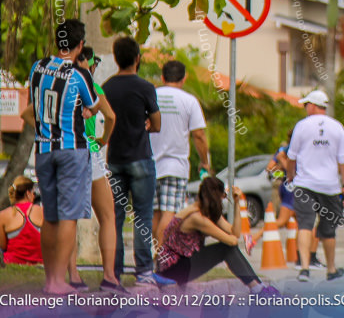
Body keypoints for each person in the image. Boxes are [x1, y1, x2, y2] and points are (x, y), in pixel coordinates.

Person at [28, 19, 115, 294]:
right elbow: (94, 105)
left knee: (50, 216)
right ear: (80, 46)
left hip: (43, 149)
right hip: (72, 149)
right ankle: (58, 283)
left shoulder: (37, 67)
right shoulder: (80, 75)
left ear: (57, 42)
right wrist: (87, 111)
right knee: (68, 217)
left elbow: (34, 105)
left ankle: (50, 279)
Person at [103, 36, 162, 286]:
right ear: (138, 58)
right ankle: (144, 272)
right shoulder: (145, 87)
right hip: (140, 160)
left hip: (114, 161)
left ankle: (114, 272)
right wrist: (144, 124)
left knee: (114, 218)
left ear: (116, 59)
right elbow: (157, 124)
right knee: (142, 217)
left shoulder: (105, 87)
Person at [156, 178, 277, 296]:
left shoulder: (206, 211)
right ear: (216, 196)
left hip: (183, 264)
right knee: (225, 249)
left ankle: (259, 287)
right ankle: (257, 288)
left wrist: (237, 204)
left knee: (227, 248)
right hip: (172, 271)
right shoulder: (197, 218)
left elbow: (235, 232)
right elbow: (232, 240)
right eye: (223, 196)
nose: (223, 200)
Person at [69, 48, 123, 292]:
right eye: (93, 63)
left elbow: (28, 115)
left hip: (64, 149)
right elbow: (110, 117)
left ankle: (72, 275)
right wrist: (103, 140)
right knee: (108, 216)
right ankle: (110, 276)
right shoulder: (91, 86)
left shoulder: (60, 82)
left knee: (68, 217)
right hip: (89, 149)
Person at [286, 89, 344, 282]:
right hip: (330, 186)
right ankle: (331, 269)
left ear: (313, 105)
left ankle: (304, 268)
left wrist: (291, 178)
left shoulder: (301, 126)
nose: (306, 108)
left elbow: (291, 157)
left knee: (305, 224)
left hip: (304, 184)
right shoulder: (338, 127)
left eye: (306, 105)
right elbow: (343, 160)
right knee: (328, 228)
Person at [150, 60, 210, 245]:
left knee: (154, 214)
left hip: (148, 165)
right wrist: (205, 162)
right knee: (169, 215)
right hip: (175, 167)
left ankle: (154, 259)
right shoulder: (189, 101)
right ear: (184, 78)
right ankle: (161, 261)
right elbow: (199, 135)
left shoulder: (151, 96)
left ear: (162, 77)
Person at [250, 131, 300, 258]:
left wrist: (281, 168)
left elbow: (270, 168)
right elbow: (276, 168)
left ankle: (302, 255)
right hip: (291, 188)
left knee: (300, 222)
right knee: (282, 221)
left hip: (287, 186)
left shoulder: (283, 149)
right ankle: (253, 238)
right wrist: (284, 163)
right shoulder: (292, 149)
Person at [0, 176, 44, 265]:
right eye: (33, 193)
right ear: (28, 193)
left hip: (12, 261)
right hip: (39, 260)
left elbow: (2, 245)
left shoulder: (3, 215)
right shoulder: (41, 211)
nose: (34, 196)